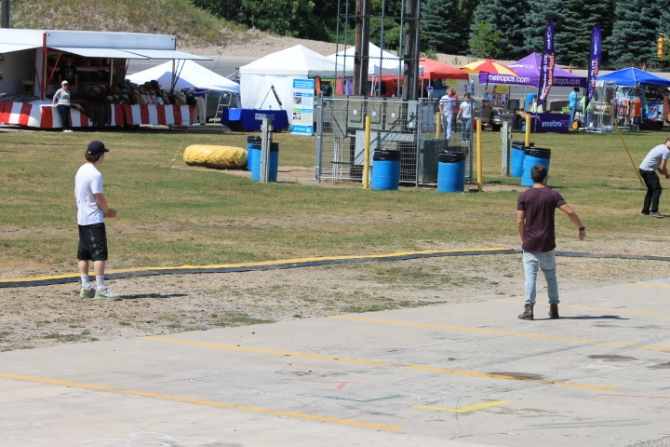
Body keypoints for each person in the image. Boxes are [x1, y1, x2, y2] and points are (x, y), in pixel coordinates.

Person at [517, 164, 586, 320]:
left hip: (530, 243)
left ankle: (529, 309)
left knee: (530, 278)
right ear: (545, 177)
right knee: (551, 276)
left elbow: (520, 221)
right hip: (547, 243)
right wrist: (581, 228)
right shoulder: (552, 194)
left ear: (530, 177)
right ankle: (554, 307)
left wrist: (524, 238)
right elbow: (569, 211)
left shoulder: (524, 196)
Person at [75, 141, 121, 301]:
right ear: (99, 155)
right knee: (99, 254)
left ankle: (86, 286)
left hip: (82, 218)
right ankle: (101, 288)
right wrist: (107, 212)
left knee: (84, 254)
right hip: (93, 219)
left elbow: (77, 194)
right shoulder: (95, 174)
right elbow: (98, 196)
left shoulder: (81, 170)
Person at [639, 137, 670, 218]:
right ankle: (654, 211)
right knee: (657, 189)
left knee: (651, 189)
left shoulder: (660, 146)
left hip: (642, 169)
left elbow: (656, 163)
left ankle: (645, 211)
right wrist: (667, 175)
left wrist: (659, 169)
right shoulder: (666, 151)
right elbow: (663, 167)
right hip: (648, 171)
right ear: (668, 141)